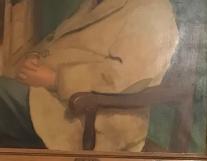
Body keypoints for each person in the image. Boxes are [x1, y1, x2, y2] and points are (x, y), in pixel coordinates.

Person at [0, 0, 179, 151]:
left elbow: (125, 77)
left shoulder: (151, 8)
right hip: (49, 98)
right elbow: (62, 43)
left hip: (92, 116)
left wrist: (56, 79)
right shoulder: (93, 3)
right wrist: (35, 58)